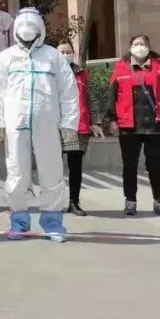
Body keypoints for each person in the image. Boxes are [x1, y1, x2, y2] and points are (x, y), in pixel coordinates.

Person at [0, 8, 79, 242]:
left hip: (47, 124)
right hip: (15, 125)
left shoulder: (53, 57)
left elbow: (69, 92)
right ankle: (19, 222)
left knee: (51, 173)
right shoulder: (6, 57)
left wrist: (69, 123)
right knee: (16, 173)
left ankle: (52, 223)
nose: (27, 39)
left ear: (40, 31)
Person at [105, 34, 160, 217]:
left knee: (156, 164)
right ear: (130, 47)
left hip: (156, 125)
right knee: (129, 165)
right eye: (136, 43)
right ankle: (130, 201)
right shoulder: (120, 68)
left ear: (149, 47)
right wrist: (112, 120)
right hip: (129, 125)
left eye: (143, 44)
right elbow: (112, 97)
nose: (140, 47)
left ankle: (159, 201)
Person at [56, 40, 104, 216]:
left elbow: (91, 98)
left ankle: (73, 202)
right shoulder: (49, 73)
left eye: (68, 52)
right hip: (55, 126)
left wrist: (96, 122)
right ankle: (54, 203)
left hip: (78, 126)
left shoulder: (82, 73)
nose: (65, 55)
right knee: (53, 168)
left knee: (75, 167)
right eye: (61, 52)